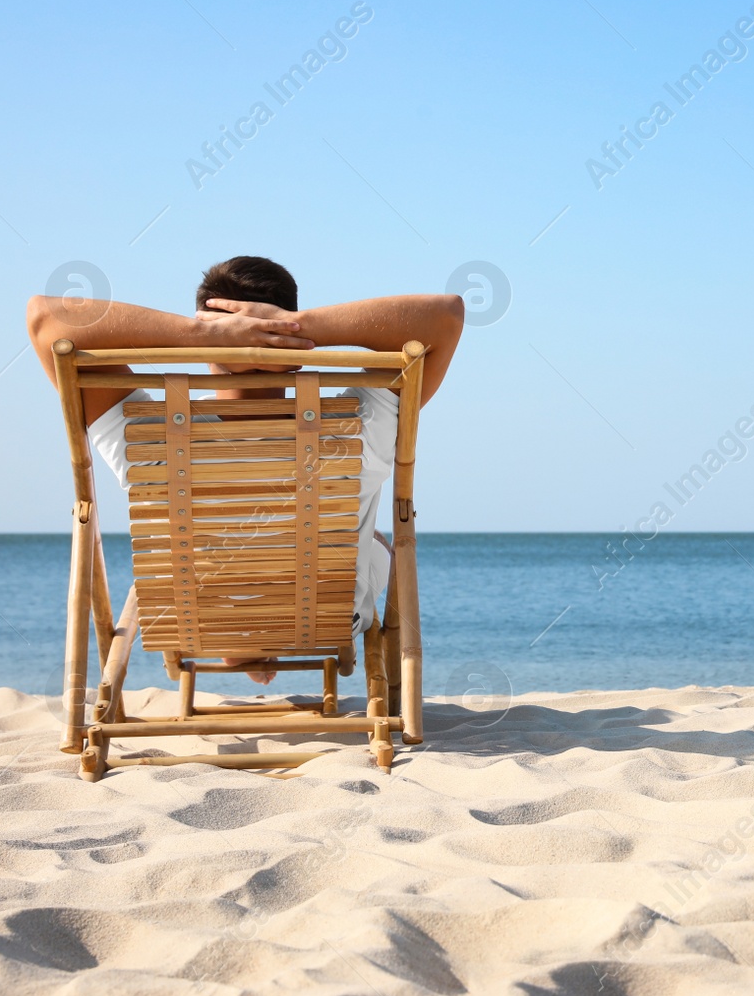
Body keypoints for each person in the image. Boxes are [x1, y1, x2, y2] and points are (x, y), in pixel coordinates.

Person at [27, 256, 463, 682]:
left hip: (195, 624)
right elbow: (445, 315)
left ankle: (241, 636)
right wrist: (299, 328)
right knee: (377, 540)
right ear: (294, 351)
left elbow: (45, 319)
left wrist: (195, 333)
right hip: (326, 622)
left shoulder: (149, 436)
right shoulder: (354, 426)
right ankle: (272, 618)